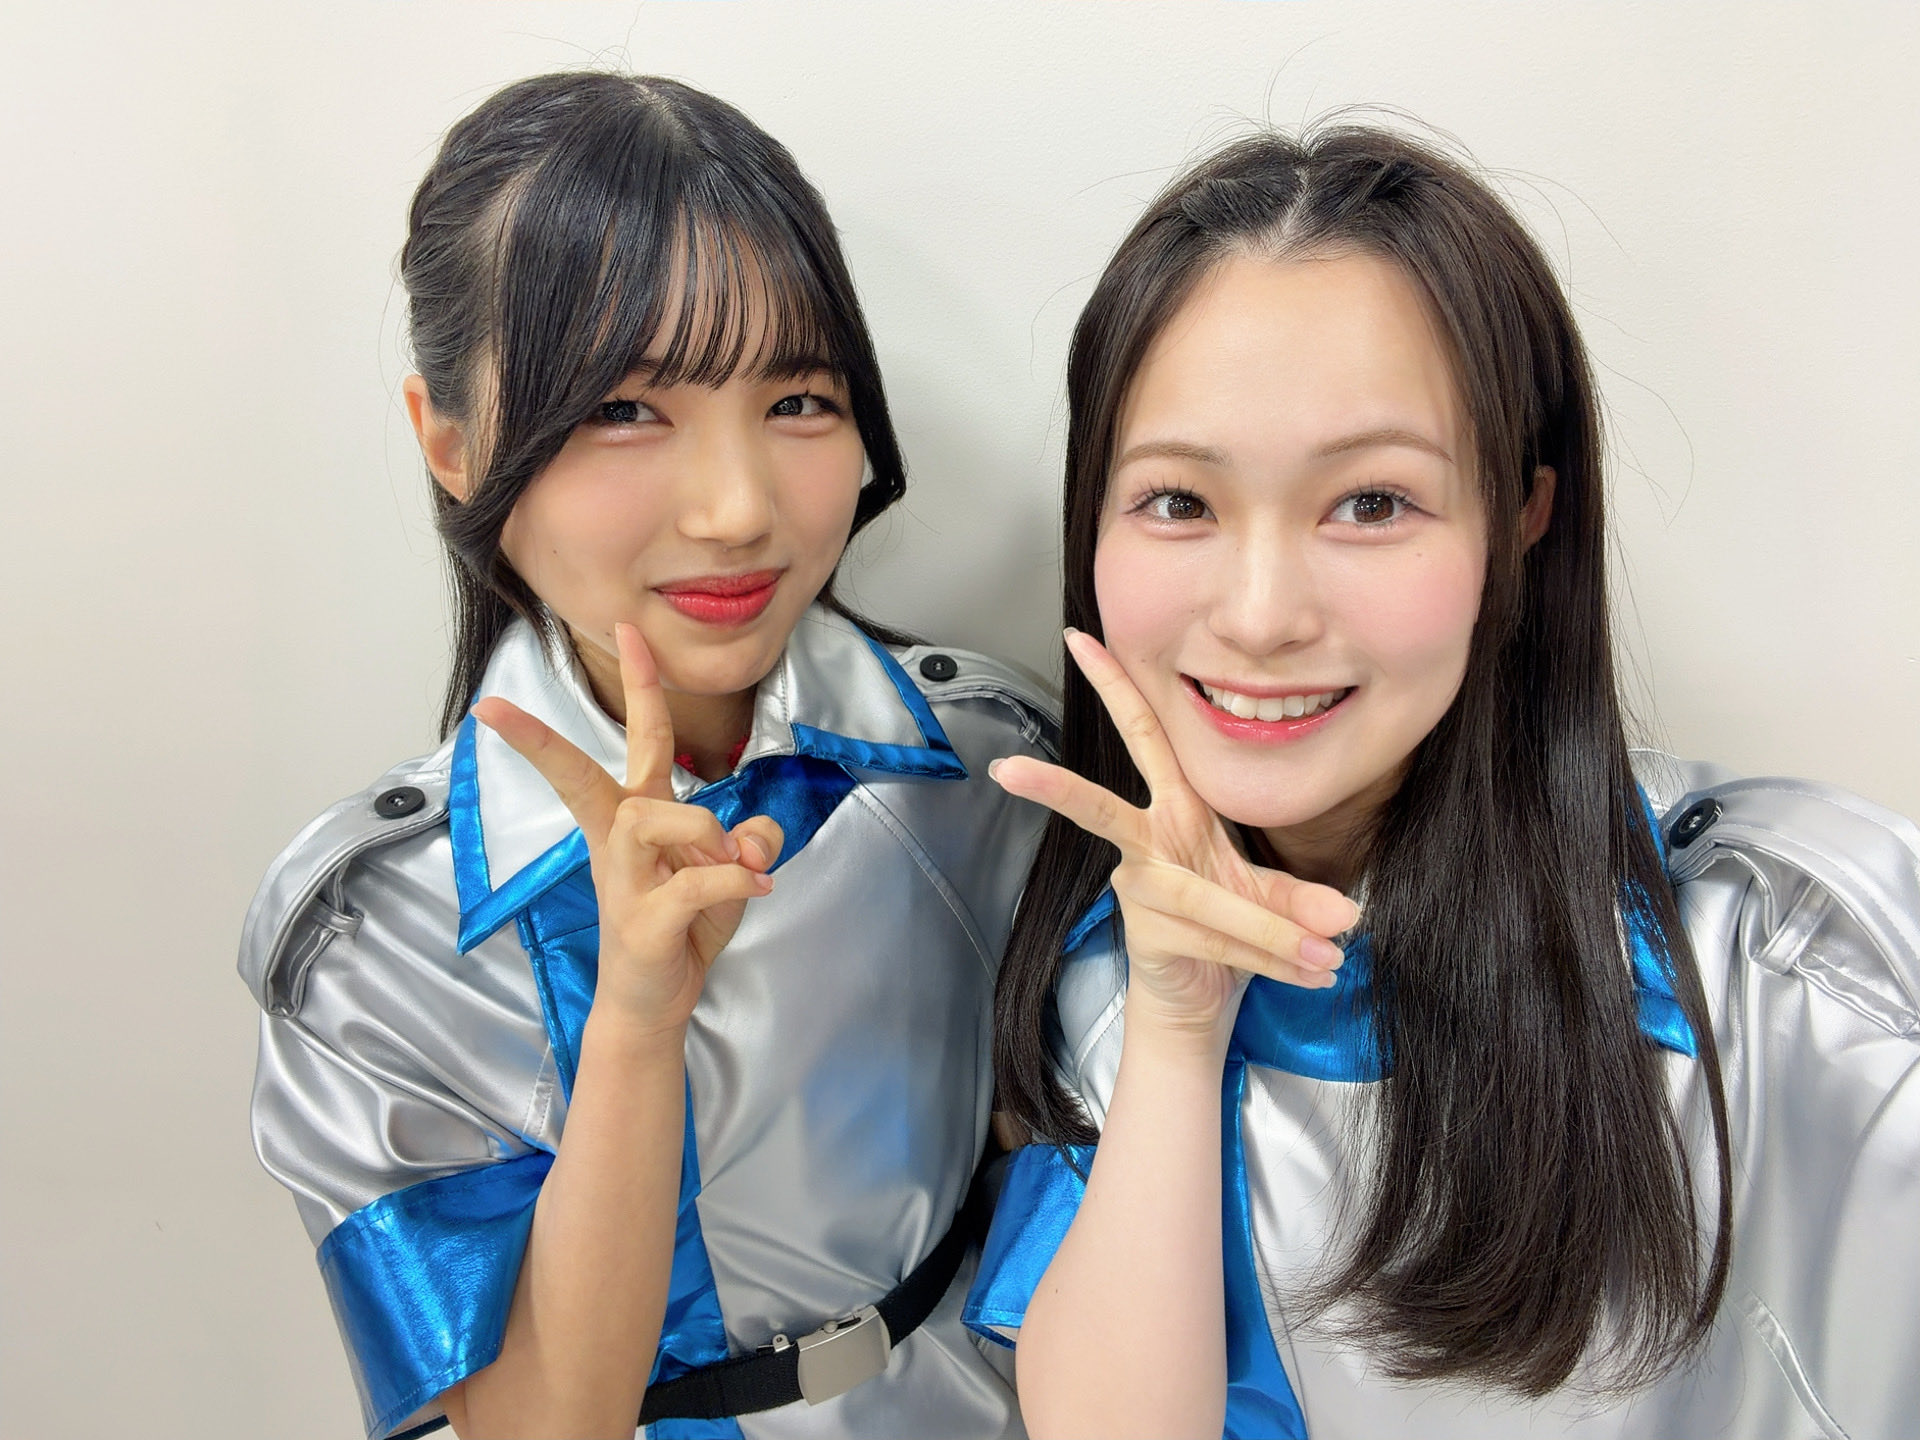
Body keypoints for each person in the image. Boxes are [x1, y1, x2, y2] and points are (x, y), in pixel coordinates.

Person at [968, 127, 1920, 1439]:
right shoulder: (1094, 970)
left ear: (1521, 516)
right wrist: (1178, 1030)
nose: (1259, 616)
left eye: (1371, 503)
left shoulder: (1790, 959)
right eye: (1179, 502)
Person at [238, 72, 1053, 1440]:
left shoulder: (994, 766)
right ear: (450, 440)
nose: (736, 508)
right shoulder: (373, 936)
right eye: (623, 408)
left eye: (800, 399)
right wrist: (632, 1023)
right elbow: (536, 1424)